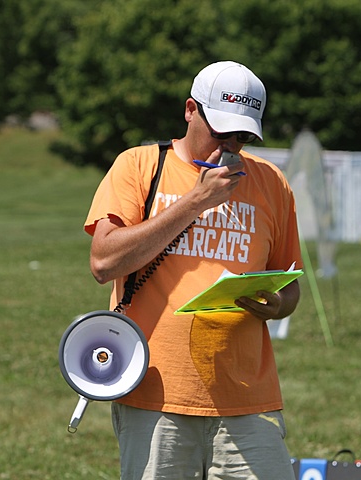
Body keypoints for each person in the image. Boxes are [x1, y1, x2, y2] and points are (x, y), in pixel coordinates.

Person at [84, 61, 302, 479]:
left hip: (248, 397)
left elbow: (290, 284)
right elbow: (103, 262)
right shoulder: (139, 165)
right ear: (190, 110)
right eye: (222, 132)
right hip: (155, 395)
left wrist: (277, 305)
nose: (232, 146)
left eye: (243, 136)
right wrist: (195, 202)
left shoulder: (272, 182)